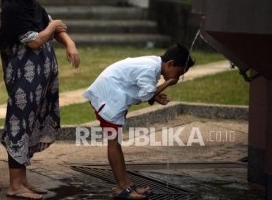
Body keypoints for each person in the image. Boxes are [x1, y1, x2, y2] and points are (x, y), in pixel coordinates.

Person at [0, 0, 80, 200]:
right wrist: (53, 26)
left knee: (31, 125)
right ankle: (15, 185)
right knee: (19, 126)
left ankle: (22, 181)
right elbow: (35, 40)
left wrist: (69, 43)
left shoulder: (34, 7)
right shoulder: (12, 9)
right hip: (24, 83)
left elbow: (57, 28)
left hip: (41, 84)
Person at [83, 44, 195, 199]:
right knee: (113, 143)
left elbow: (143, 89)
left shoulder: (153, 65)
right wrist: (168, 83)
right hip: (108, 98)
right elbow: (145, 95)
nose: (178, 77)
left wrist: (155, 95)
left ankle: (126, 185)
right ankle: (121, 189)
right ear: (170, 64)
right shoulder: (150, 68)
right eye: (179, 73)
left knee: (116, 143)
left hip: (110, 95)